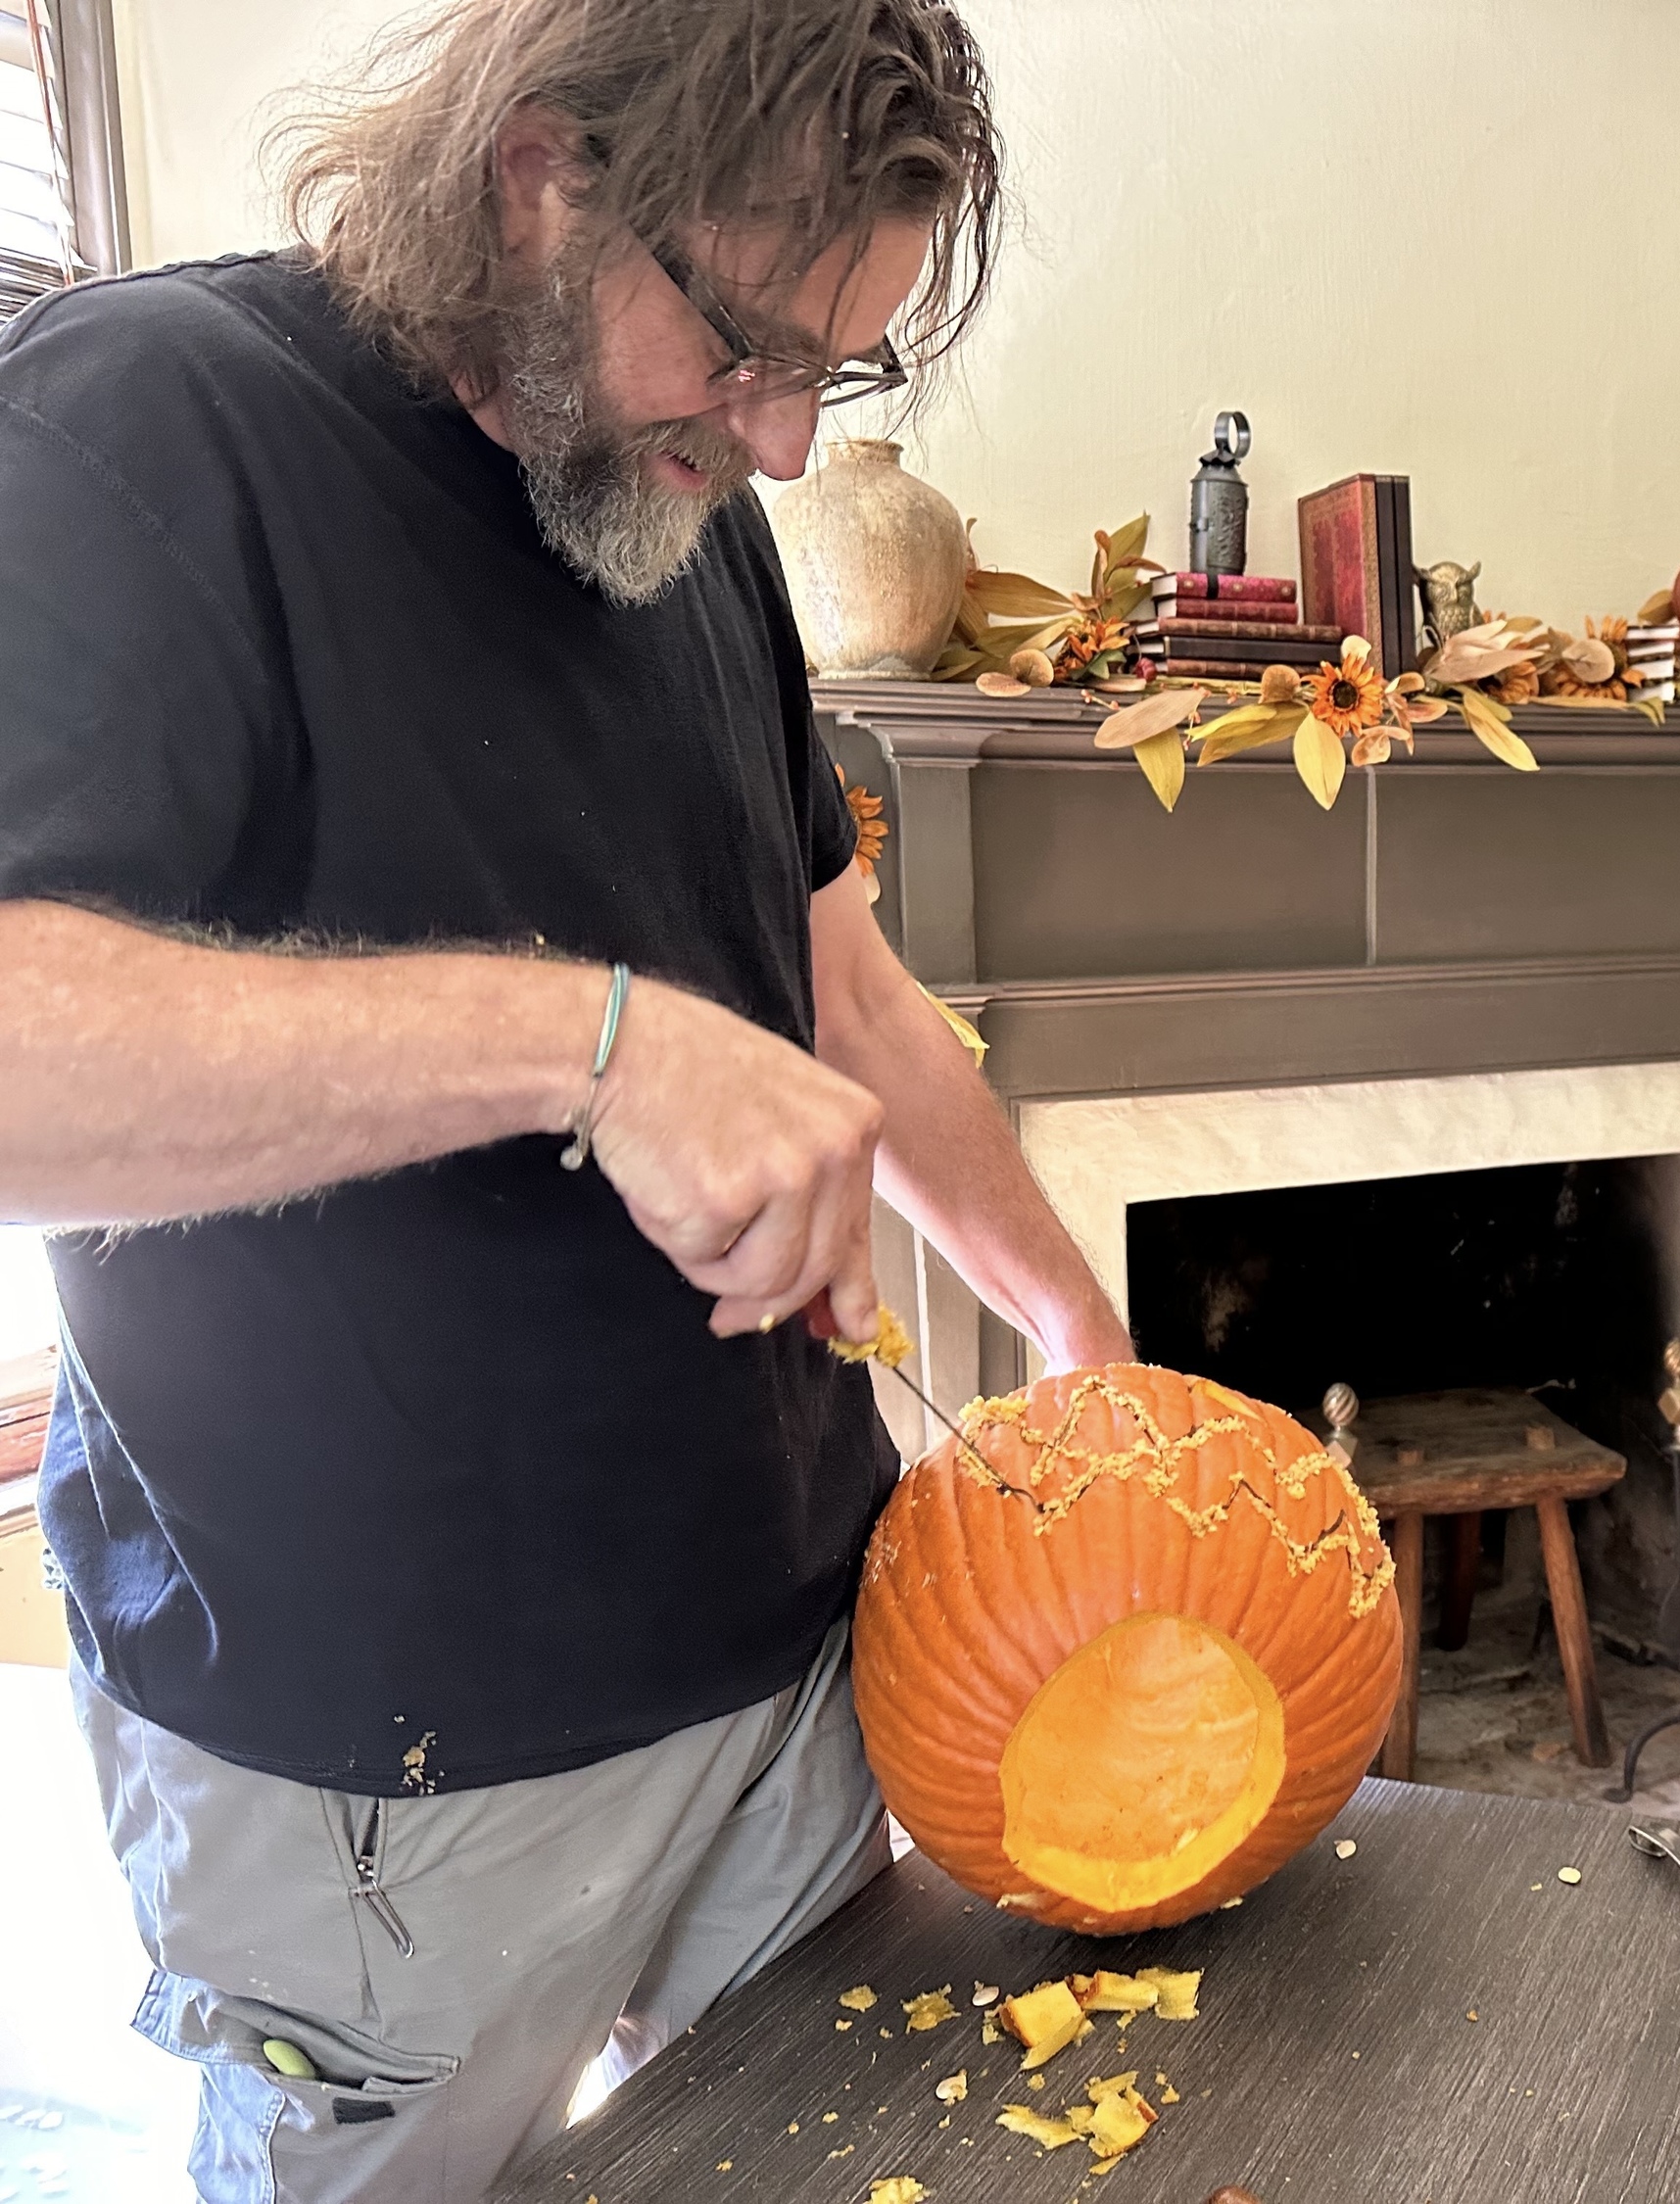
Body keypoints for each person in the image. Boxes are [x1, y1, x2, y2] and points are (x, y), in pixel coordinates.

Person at [0, 3, 1128, 2196]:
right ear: (544, 180)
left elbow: (846, 996)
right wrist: (590, 1044)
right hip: (385, 1776)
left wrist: (1083, 1343)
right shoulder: (139, 434)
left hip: (798, 1652)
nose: (793, 439)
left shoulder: (672, 501)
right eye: (749, 343)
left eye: (847, 368)